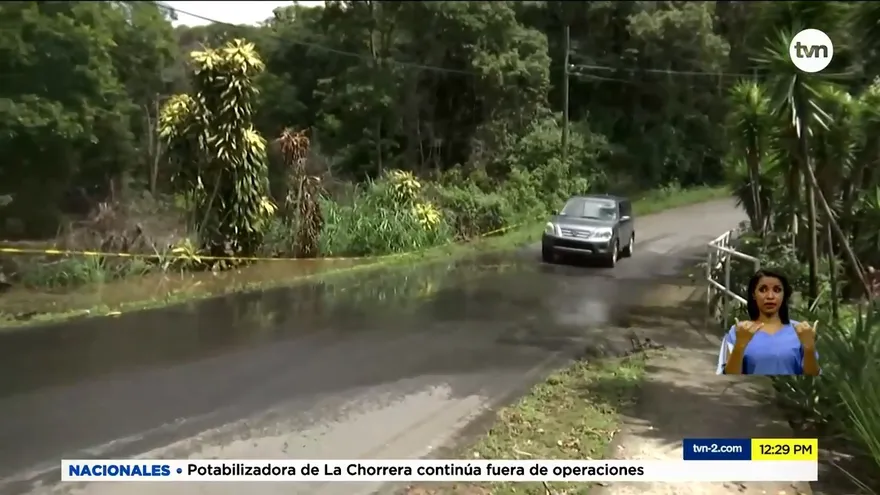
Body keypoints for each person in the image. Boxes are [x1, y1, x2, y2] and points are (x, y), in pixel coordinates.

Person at [716, 269, 820, 376]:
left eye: (777, 290)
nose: (770, 296)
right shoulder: (738, 331)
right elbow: (727, 378)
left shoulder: (800, 331)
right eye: (763, 289)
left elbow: (812, 379)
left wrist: (809, 347)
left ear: (784, 295)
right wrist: (740, 345)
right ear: (753, 294)